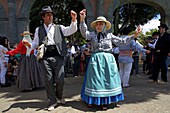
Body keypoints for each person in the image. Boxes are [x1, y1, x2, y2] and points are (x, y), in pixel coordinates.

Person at [79, 9, 141, 110]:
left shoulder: (110, 35)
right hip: (96, 59)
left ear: (104, 26)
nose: (99, 26)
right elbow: (84, 33)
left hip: (108, 60)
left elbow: (122, 41)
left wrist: (134, 35)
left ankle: (105, 101)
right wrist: (82, 19)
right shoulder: (92, 35)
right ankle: (92, 100)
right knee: (95, 80)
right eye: (97, 24)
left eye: (101, 24)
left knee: (107, 80)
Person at [23, 6, 77, 111]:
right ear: (43, 17)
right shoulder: (39, 29)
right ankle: (52, 101)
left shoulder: (59, 27)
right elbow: (35, 43)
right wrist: (29, 45)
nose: (50, 16)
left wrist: (74, 19)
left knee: (60, 79)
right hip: (45, 57)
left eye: (51, 14)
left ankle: (59, 96)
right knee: (48, 80)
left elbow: (70, 30)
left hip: (58, 56)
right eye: (48, 14)